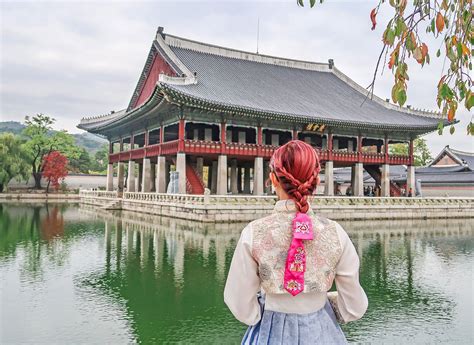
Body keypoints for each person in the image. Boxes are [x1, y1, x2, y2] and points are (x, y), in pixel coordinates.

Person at [224, 140, 368, 344]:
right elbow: (354, 307)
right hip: (323, 332)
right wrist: (324, 301)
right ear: (315, 180)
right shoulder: (336, 233)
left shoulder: (254, 233)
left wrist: (260, 313)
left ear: (273, 179)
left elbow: (238, 302)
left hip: (270, 331)